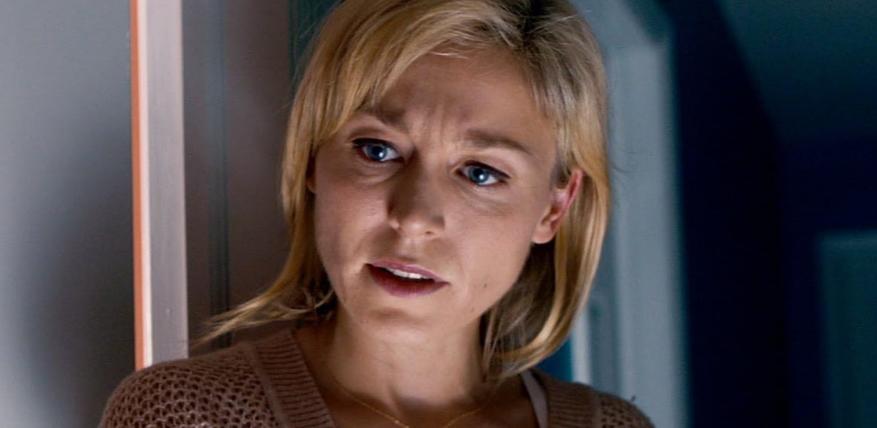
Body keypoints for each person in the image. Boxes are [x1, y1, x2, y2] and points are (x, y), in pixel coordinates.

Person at [101, 0, 653, 426]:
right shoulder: (185, 414)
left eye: (481, 173)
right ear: (313, 157)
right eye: (377, 150)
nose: (413, 218)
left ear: (554, 207)